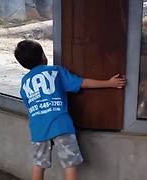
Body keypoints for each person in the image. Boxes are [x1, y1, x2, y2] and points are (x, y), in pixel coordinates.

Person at [14, 40, 126, 180]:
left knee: (39, 164)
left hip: (38, 127)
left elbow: (29, 104)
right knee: (69, 165)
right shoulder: (55, 71)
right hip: (61, 124)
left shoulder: (25, 81)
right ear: (43, 56)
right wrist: (109, 83)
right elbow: (81, 83)